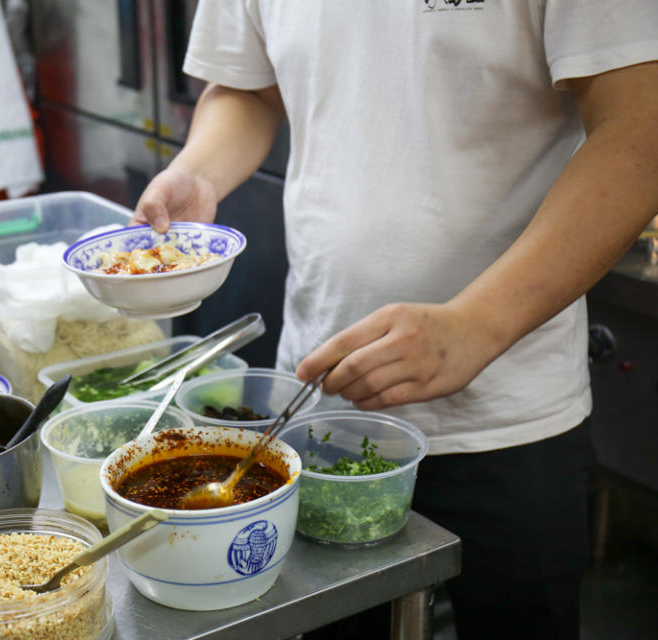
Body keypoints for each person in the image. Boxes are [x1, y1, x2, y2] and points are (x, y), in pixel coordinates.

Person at [129, 2, 658, 638]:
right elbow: (246, 86)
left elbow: (639, 127)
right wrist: (198, 169)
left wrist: (478, 324)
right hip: (319, 411)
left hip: (508, 417)